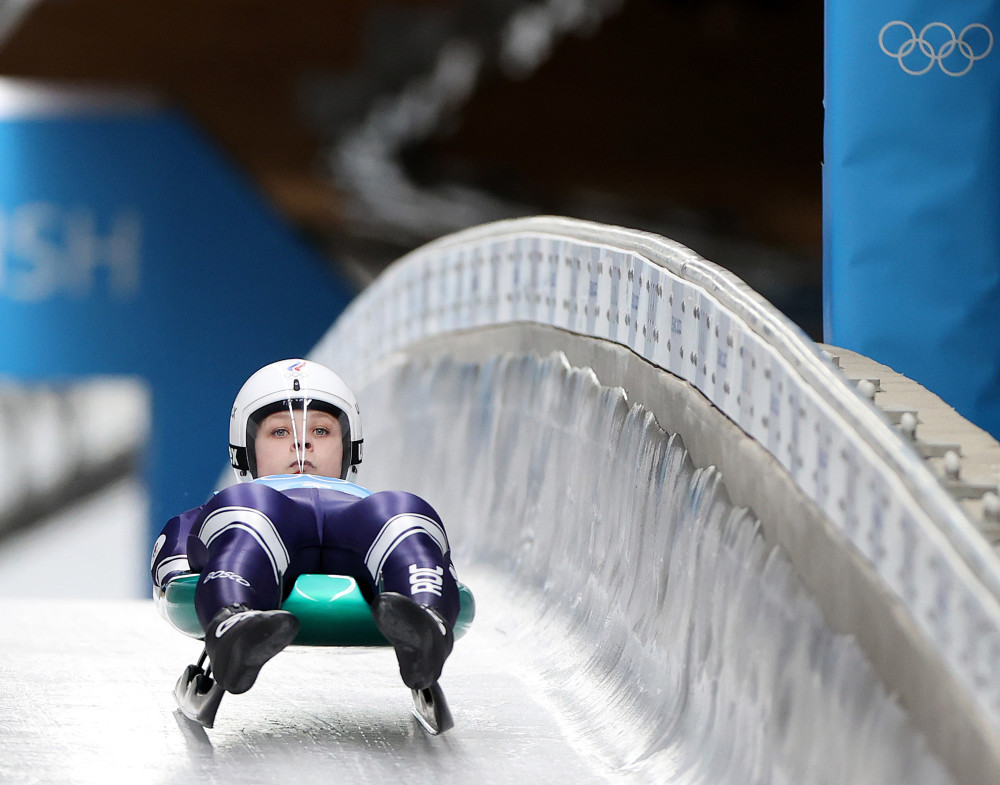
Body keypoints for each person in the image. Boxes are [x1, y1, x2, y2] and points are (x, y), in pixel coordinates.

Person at [151, 358, 460, 697]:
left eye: (321, 431)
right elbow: (176, 554)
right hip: (265, 516)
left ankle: (425, 624)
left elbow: (439, 557)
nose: (301, 444)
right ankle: (234, 625)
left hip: (351, 518)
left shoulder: (371, 508)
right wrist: (182, 571)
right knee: (251, 512)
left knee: (402, 509)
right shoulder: (232, 506)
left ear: (349, 448)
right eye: (280, 431)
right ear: (244, 452)